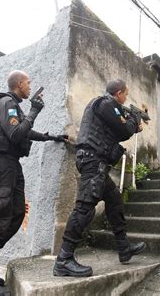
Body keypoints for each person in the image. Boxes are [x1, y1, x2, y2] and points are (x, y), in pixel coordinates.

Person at [0, 70, 68, 295]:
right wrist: (34, 110)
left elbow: (24, 131)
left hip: (10, 164)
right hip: (0, 164)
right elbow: (15, 134)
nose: (30, 88)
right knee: (0, 216)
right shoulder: (6, 103)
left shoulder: (13, 105)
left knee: (16, 215)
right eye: (28, 83)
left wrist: (50, 137)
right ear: (20, 84)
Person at [53, 79, 146, 277]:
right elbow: (124, 130)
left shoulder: (108, 108)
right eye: (125, 94)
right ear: (118, 93)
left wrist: (133, 123)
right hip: (93, 161)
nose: (126, 98)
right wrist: (134, 121)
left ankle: (124, 248)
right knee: (85, 208)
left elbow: (118, 133)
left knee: (114, 201)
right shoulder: (105, 104)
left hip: (98, 164)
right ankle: (64, 259)